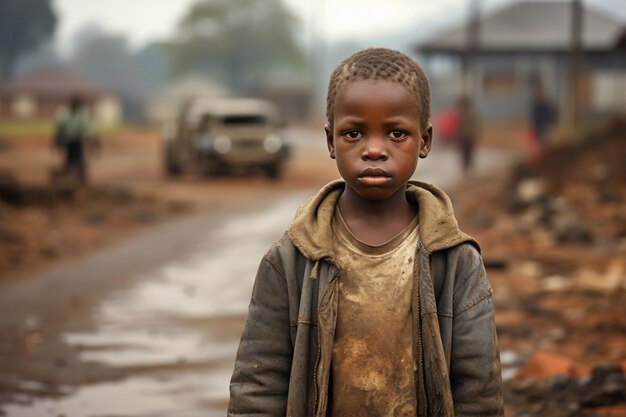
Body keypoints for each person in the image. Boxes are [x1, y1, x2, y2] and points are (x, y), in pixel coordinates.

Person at [228, 48, 503, 416]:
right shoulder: (291, 259)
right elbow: (258, 384)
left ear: (424, 140)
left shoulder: (455, 261)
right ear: (330, 141)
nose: (374, 150)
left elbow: (478, 388)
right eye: (354, 133)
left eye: (396, 133)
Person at [54, 96, 93, 183]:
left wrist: (90, 138)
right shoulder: (64, 111)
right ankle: (68, 174)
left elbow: (86, 126)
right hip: (67, 138)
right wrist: (57, 138)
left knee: (79, 157)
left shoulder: (82, 112)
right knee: (70, 157)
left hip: (78, 138)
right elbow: (60, 126)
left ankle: (81, 177)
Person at [456, 95, 480, 173]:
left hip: (468, 136)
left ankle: (468, 168)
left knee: (468, 152)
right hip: (463, 136)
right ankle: (466, 168)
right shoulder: (461, 114)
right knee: (465, 152)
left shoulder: (468, 114)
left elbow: (475, 125)